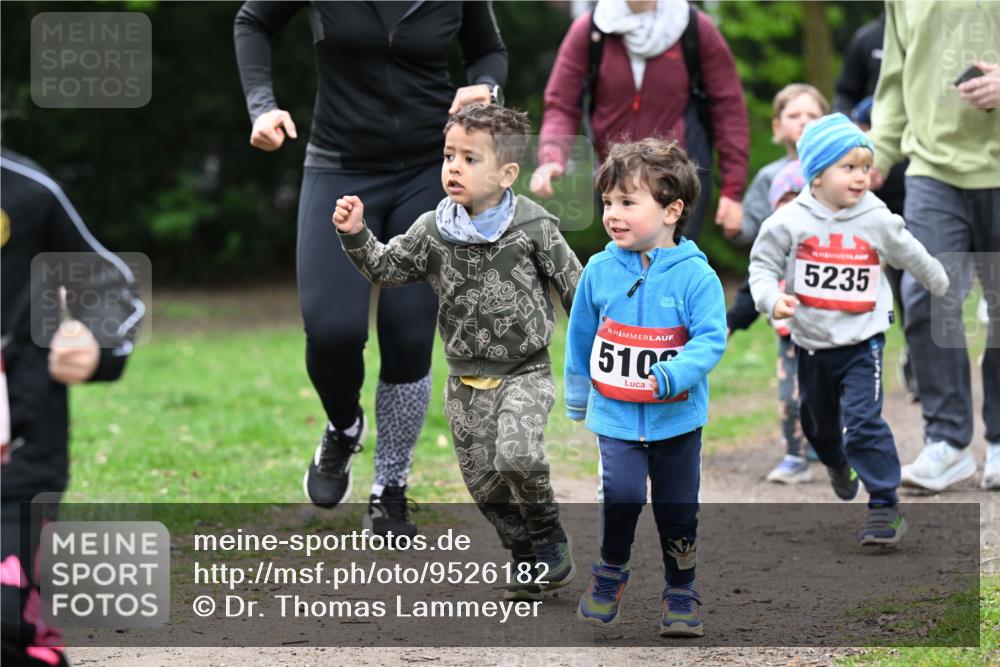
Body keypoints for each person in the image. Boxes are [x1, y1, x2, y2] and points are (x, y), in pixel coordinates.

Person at [234, 1, 509, 535]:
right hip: (340, 163)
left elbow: (488, 52)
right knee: (331, 331)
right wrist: (261, 106)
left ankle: (391, 485)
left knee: (408, 336)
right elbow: (253, 19)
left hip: (430, 173)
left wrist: (486, 88)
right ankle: (343, 426)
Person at [333, 105, 582, 600]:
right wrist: (356, 234)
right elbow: (386, 267)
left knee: (518, 454)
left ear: (506, 173)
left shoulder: (534, 225)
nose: (453, 167)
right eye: (449, 156)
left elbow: (577, 288)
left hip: (525, 370)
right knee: (484, 484)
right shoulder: (433, 230)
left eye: (470, 158)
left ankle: (549, 534)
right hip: (465, 379)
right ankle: (524, 553)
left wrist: (600, 346)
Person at [749, 113, 949, 545]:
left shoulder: (876, 217)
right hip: (812, 343)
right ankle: (838, 465)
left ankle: (883, 505)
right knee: (817, 425)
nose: (861, 177)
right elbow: (762, 266)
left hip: (864, 341)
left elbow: (910, 252)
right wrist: (772, 299)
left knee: (863, 421)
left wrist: (939, 282)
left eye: (864, 167)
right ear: (817, 175)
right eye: (849, 168)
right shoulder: (788, 221)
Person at [565, 139, 727, 637]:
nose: (612, 214)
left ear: (672, 210)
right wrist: (577, 391)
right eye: (608, 202)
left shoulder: (696, 277)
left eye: (628, 203)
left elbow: (712, 339)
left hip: (676, 419)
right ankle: (610, 571)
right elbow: (581, 334)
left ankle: (681, 590)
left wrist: (674, 373)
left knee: (678, 509)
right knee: (621, 492)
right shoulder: (598, 269)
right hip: (615, 415)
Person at [1, 149, 144, 666]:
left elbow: (108, 286)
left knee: (7, 625)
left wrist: (94, 340)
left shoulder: (27, 193)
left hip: (17, 455)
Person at [868, 0, 1000, 492]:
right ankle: (947, 442)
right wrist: (878, 154)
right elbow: (897, 78)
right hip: (932, 168)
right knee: (927, 296)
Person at [531, 0, 749, 241]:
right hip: (615, 178)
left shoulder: (694, 27)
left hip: (677, 180)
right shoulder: (591, 29)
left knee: (674, 268)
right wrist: (552, 156)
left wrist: (732, 190)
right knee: (623, 268)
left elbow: (729, 109)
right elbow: (561, 103)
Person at [833, 12, 917, 402]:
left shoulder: (934, 29)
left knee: (910, 279)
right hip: (869, 181)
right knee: (862, 272)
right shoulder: (868, 37)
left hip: (919, 178)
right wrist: (856, 126)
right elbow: (844, 93)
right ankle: (850, 363)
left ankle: (917, 358)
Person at [727, 160, 814, 484]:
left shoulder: (824, 246)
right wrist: (731, 323)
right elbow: (754, 289)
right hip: (789, 339)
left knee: (830, 401)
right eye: (783, 203)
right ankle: (795, 455)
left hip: (833, 340)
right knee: (789, 398)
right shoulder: (772, 251)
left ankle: (831, 446)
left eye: (799, 201)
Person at [732, 84, 828, 248]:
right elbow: (751, 228)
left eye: (813, 116)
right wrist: (735, 226)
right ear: (777, 127)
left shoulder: (839, 173)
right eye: (793, 116)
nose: (804, 121)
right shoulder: (769, 175)